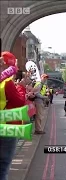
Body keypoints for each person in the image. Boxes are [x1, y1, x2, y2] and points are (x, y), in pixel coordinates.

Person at [0, 52, 30, 180]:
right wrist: (22, 87)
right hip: (8, 125)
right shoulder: (6, 83)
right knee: (4, 165)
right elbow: (19, 102)